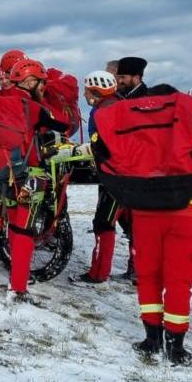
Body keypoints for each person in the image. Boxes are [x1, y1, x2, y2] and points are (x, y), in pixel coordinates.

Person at [93, 85, 192, 365]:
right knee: (179, 281)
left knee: (148, 276)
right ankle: (176, 346)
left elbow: (106, 158)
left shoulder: (134, 128)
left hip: (143, 212)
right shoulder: (186, 122)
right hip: (186, 211)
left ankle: (151, 339)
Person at [0, 58, 69, 301]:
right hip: (30, 175)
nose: (43, 87)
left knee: (13, 224)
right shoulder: (33, 106)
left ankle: (16, 276)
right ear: (30, 80)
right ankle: (17, 288)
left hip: (2, 174)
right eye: (41, 82)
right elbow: (62, 122)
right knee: (24, 230)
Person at [71, 70, 126, 284]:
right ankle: (138, 270)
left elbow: (100, 145)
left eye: (87, 90)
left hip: (114, 177)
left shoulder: (101, 112)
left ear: (96, 90)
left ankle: (99, 272)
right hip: (131, 176)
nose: (85, 96)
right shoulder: (121, 104)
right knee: (131, 226)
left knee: (103, 223)